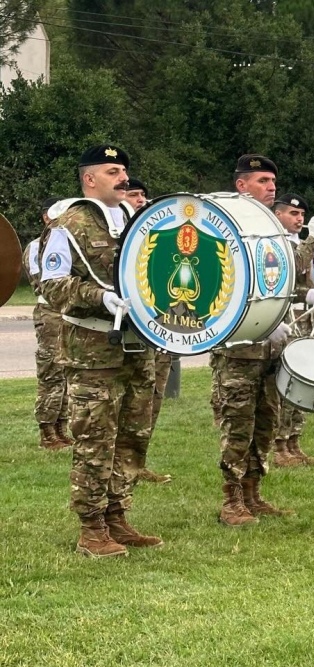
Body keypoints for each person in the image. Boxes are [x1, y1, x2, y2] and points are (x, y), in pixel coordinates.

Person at [38, 144, 161, 557]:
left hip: (137, 345)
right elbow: (50, 283)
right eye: (112, 171)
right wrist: (98, 296)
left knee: (133, 434)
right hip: (93, 348)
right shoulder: (67, 224)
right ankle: (91, 528)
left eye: (124, 169)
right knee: (95, 437)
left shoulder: (136, 219)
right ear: (90, 179)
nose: (123, 177)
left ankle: (117, 515)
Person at [211, 154, 293, 526]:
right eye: (262, 180)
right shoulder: (222, 229)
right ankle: (231, 501)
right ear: (241, 185)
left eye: (273, 181)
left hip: (272, 346)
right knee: (237, 424)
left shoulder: (272, 228)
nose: (271, 187)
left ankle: (253, 493)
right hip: (238, 347)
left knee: (266, 421)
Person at [271, 192, 314, 467]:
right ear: (278, 214)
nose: (299, 219)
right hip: (284, 319)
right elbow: (294, 268)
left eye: (302, 215)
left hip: (302, 318)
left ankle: (294, 441)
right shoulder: (276, 242)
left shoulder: (300, 243)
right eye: (293, 214)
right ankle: (278, 445)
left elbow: (306, 281)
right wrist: (312, 240)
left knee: (302, 382)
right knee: (286, 382)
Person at [128, 177, 173, 485]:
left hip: (162, 329)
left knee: (153, 398)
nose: (141, 199)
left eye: (144, 194)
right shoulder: (120, 236)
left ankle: (139, 461)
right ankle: (125, 466)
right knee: (130, 402)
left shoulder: (157, 235)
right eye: (134, 195)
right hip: (130, 334)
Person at [23, 197, 72, 451]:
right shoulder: (35, 247)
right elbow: (42, 282)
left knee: (66, 372)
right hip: (50, 312)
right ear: (46, 217)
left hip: (68, 313)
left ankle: (62, 427)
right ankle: (47, 431)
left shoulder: (71, 242)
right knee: (51, 372)